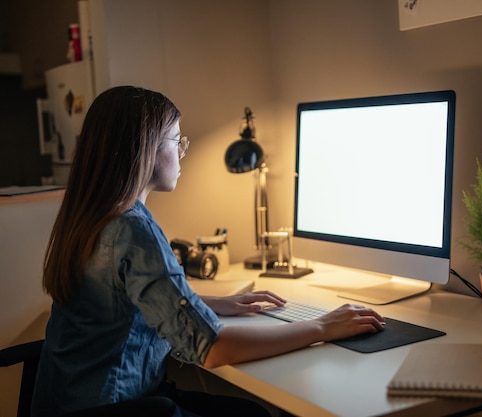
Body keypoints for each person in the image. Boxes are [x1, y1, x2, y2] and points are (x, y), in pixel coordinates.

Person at [31, 86, 385, 417]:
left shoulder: (90, 216)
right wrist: (322, 326)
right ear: (145, 148)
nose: (184, 149)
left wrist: (206, 303)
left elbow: (121, 296)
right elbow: (212, 349)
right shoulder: (133, 229)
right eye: (176, 140)